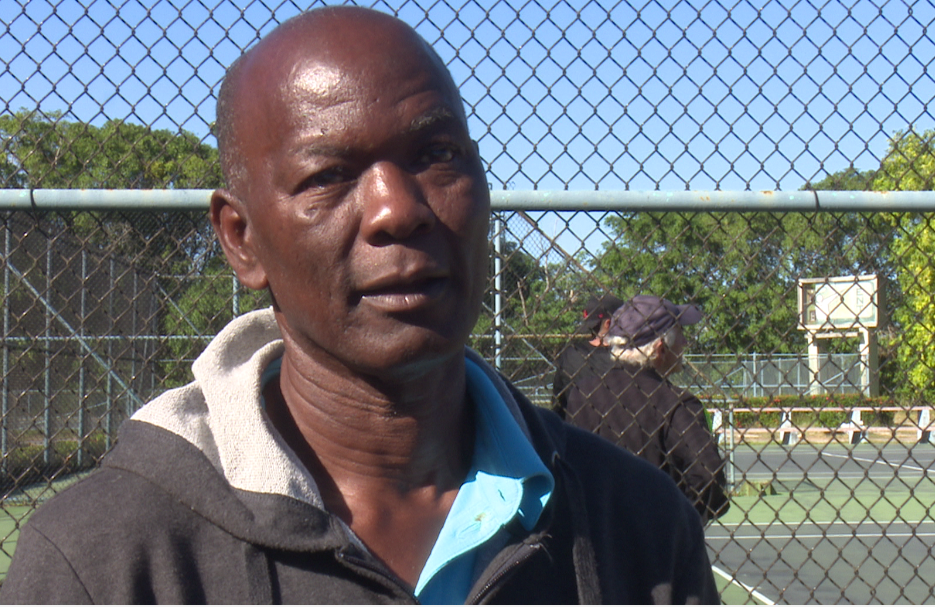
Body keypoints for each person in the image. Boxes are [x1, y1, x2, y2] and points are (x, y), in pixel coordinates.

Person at [0, 8, 719, 604]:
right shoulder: (102, 562)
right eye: (329, 175)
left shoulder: (642, 528)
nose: (396, 209)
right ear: (241, 240)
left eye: (436, 155)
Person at [575, 294, 730, 523]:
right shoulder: (676, 403)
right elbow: (708, 473)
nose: (685, 342)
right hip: (655, 533)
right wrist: (678, 525)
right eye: (680, 334)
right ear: (660, 349)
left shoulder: (582, 393)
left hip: (595, 529)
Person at [552, 293, 622, 417]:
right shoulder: (627, 358)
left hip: (575, 425)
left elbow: (558, 404)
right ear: (608, 323)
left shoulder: (570, 354)